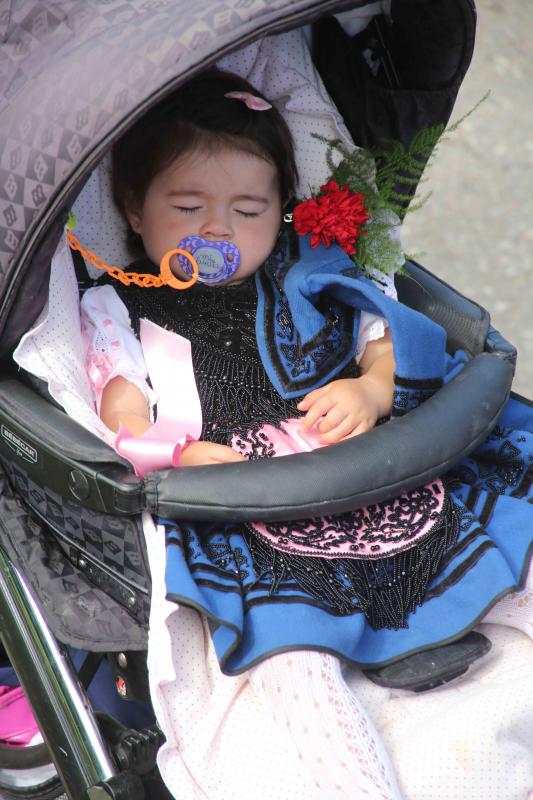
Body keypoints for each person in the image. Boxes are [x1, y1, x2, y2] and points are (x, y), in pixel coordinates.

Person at [79, 68, 533, 800]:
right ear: (133, 208)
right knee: (291, 653)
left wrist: (372, 385)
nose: (217, 229)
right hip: (247, 504)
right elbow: (122, 414)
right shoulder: (117, 306)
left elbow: (382, 330)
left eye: (248, 209)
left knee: (500, 555)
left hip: (369, 471)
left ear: (283, 211)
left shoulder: (308, 270)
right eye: (186, 205)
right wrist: (178, 454)